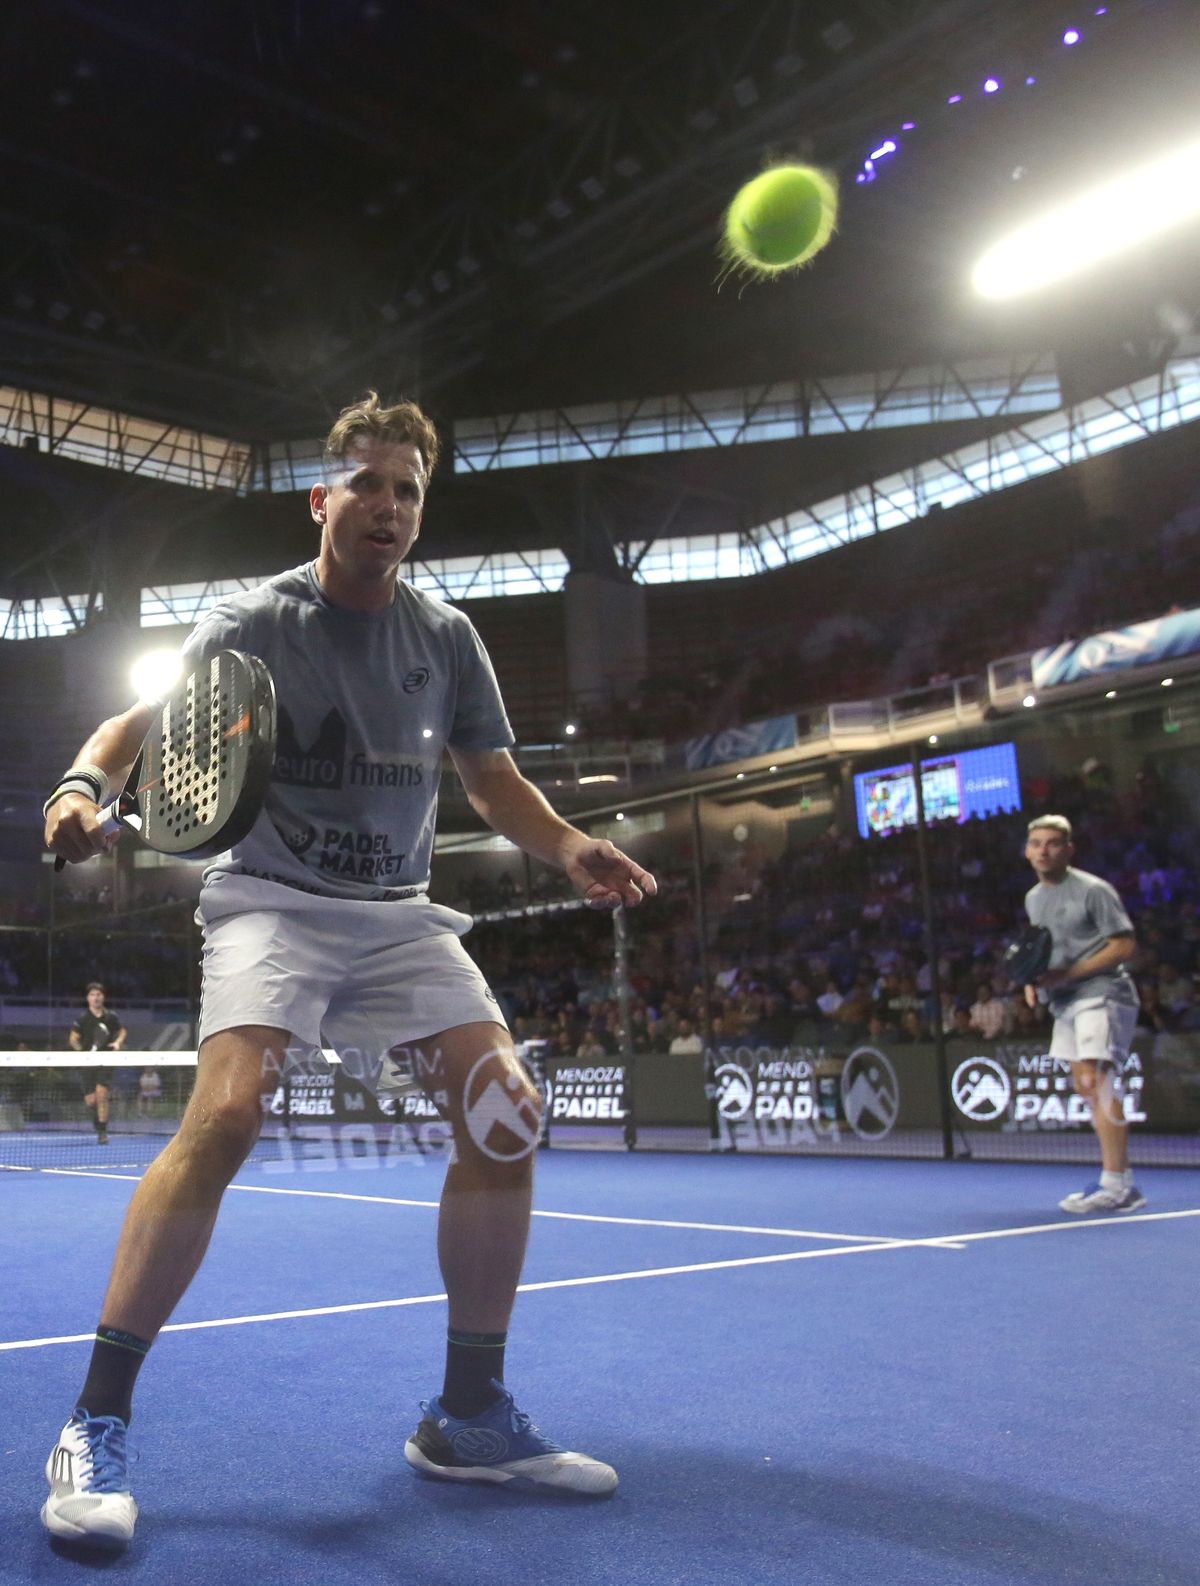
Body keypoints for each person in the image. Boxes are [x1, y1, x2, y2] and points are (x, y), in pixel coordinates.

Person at [40, 391, 657, 1550]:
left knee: (506, 1114)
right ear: (322, 498)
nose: (386, 505)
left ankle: (467, 1415)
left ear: (422, 512)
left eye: (407, 489)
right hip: (274, 903)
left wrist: (568, 841)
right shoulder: (251, 618)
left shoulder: (447, 637)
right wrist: (82, 785)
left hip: (396, 914)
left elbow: (489, 781)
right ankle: (94, 1420)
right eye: (365, 483)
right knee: (224, 1118)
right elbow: (136, 722)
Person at [1022, 815, 1143, 1216]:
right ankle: (1119, 1182)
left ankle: (1115, 1184)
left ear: (1068, 849)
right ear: (1027, 850)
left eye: (1053, 843)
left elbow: (1123, 946)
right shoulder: (1033, 898)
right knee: (1086, 1087)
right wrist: (1032, 978)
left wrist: (1068, 974)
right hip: (1066, 1000)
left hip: (1104, 993)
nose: (1043, 850)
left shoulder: (1094, 890)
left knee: (1097, 1080)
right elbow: (1044, 948)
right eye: (1036, 843)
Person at [68, 982, 126, 1146]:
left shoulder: (111, 1017)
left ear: (103, 997)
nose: (96, 998)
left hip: (105, 1062)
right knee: (91, 1101)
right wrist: (81, 1053)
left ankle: (102, 1132)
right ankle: (99, 1121)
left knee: (102, 1094)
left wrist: (118, 1043)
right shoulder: (82, 1019)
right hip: (86, 1064)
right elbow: (73, 1039)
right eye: (92, 995)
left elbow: (122, 1031)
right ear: (88, 998)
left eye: (98, 994)